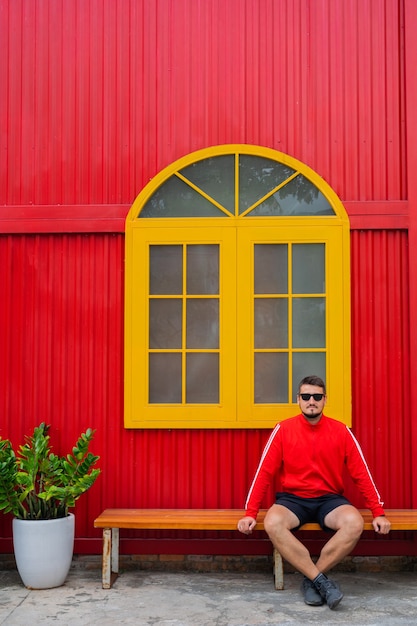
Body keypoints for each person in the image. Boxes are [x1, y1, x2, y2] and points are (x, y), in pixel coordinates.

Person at [237, 375, 391, 610]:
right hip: (293, 499)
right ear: (298, 399)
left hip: (329, 499)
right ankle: (321, 581)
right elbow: (264, 473)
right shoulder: (283, 430)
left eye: (317, 397)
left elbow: (361, 473)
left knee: (354, 522)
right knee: (273, 522)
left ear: (324, 400)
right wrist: (250, 513)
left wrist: (378, 512)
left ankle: (312, 580)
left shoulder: (340, 431)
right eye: (306, 396)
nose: (312, 401)